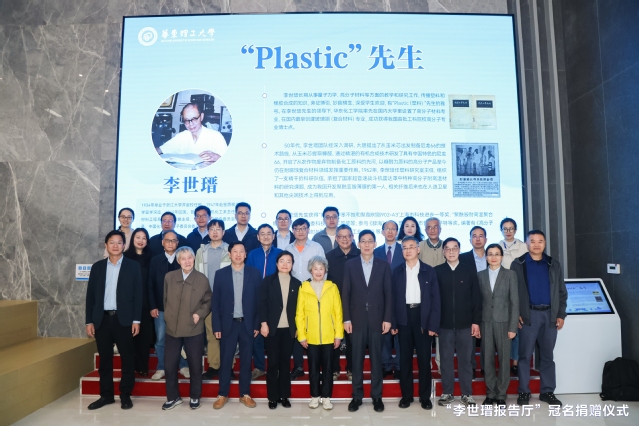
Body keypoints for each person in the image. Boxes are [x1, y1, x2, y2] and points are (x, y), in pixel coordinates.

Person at [85, 230, 142, 410]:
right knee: (105, 360)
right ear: (106, 245)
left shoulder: (133, 266)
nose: (115, 245)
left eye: (119, 242)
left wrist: (136, 320)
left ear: (124, 245)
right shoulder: (97, 267)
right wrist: (89, 321)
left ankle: (125, 395)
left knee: (127, 359)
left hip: (124, 320)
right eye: (112, 242)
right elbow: (90, 296)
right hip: (102, 320)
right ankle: (106, 395)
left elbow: (138, 295)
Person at [510, 230, 567, 407]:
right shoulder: (518, 264)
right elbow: (512, 293)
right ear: (526, 243)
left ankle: (547, 392)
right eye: (532, 241)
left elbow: (561, 292)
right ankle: (524, 392)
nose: (536, 244)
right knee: (525, 356)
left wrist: (561, 314)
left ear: (545, 243)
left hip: (550, 316)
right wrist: (516, 314)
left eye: (540, 241)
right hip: (528, 315)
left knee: (547, 356)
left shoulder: (553, 264)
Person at [342, 230, 393, 413]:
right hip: (356, 320)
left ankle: (377, 396)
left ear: (375, 244)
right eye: (363, 241)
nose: (366, 244)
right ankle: (357, 396)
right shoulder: (350, 265)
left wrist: (387, 318)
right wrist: (346, 318)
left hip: (377, 319)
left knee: (376, 360)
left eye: (370, 241)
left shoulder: (383, 265)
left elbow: (389, 294)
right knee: (356, 361)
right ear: (358, 244)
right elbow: (345, 293)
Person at [391, 237, 440, 410]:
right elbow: (392, 299)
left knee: (424, 359)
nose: (408, 250)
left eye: (411, 247)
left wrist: (433, 324)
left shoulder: (428, 271)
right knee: (404, 360)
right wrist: (393, 323)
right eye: (404, 247)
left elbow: (436, 300)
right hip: (403, 317)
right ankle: (407, 396)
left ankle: (425, 397)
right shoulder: (397, 271)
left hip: (423, 317)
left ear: (418, 249)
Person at [212, 242, 262, 410]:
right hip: (228, 325)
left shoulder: (254, 273)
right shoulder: (220, 274)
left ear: (246, 254)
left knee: (246, 361)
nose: (238, 254)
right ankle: (222, 394)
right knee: (225, 361)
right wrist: (217, 327)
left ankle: (245, 394)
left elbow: (259, 302)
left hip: (247, 325)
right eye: (235, 251)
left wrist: (256, 324)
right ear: (229, 254)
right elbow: (215, 303)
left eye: (241, 251)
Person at [161, 247, 212, 411]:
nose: (187, 261)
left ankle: (195, 396)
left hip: (193, 328)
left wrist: (199, 314)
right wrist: (168, 316)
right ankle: (173, 397)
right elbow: (165, 299)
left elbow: (208, 301)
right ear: (178, 261)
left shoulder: (202, 279)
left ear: (194, 259)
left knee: (195, 365)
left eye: (190, 258)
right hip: (172, 329)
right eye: (183, 258)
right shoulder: (169, 277)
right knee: (169, 365)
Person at [435, 237, 482, 407]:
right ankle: (447, 392)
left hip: (466, 325)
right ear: (443, 252)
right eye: (448, 249)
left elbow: (476, 298)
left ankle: (466, 394)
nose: (451, 251)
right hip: (444, 325)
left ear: (459, 250)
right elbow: (433, 300)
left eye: (454, 248)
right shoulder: (437, 271)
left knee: (466, 361)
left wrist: (476, 322)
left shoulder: (469, 270)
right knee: (446, 360)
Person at [296, 256, 343, 410]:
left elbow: (338, 313)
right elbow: (300, 314)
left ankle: (327, 397)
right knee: (313, 368)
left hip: (329, 336)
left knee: (328, 368)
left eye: (321, 268)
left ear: (325, 270)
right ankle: (315, 396)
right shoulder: (304, 287)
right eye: (315, 268)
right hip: (311, 337)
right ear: (311, 270)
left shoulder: (332, 287)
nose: (318, 271)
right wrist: (302, 336)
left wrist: (338, 335)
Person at [258, 251, 301, 409]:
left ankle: (284, 396)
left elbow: (300, 308)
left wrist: (298, 328)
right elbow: (261, 304)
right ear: (276, 264)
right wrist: (263, 323)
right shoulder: (268, 281)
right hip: (272, 329)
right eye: (282, 261)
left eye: (289, 261)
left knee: (285, 363)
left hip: (289, 330)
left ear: (292, 265)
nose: (285, 264)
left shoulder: (297, 284)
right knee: (273, 363)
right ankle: (272, 397)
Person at [478, 244, 519, 407]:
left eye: (497, 254)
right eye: (490, 254)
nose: (493, 257)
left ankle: (501, 394)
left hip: (504, 322)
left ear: (502, 257)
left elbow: (515, 302)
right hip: (486, 322)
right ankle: (490, 393)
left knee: (503, 359)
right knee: (487, 359)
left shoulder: (510, 275)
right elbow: (477, 302)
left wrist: (513, 327)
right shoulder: (480, 275)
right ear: (486, 257)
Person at [284, 218, 325, 380]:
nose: (300, 231)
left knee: (314, 325)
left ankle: (318, 366)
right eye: (297, 228)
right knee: (297, 327)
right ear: (293, 230)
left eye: (303, 228)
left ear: (308, 229)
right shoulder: (288, 248)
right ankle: (299, 365)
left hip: (313, 291)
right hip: (293, 292)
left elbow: (324, 269)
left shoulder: (316, 247)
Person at [148, 230, 189, 380]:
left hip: (181, 309)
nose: (170, 243)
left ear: (177, 243)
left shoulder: (183, 260)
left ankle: (183, 366)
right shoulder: (155, 260)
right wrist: (152, 306)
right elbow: (150, 285)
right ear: (162, 242)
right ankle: (161, 367)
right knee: (160, 340)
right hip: (160, 308)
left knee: (182, 338)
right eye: (167, 240)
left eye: (173, 240)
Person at [194, 219, 231, 380]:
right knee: (211, 334)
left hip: (227, 298)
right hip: (208, 298)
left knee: (228, 334)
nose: (215, 232)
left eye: (218, 229)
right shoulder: (201, 251)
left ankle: (228, 366)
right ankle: (214, 365)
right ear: (207, 232)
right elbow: (196, 273)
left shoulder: (230, 250)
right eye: (212, 229)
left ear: (224, 232)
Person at [247, 223, 282, 380]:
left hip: (275, 299)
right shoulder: (252, 254)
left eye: (269, 233)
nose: (266, 236)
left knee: (274, 336)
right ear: (258, 236)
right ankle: (259, 367)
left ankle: (277, 367)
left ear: (274, 236)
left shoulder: (280, 253)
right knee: (257, 335)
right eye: (262, 233)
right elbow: (248, 275)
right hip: (255, 299)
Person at [325, 224, 360, 381]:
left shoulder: (360, 254)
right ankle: (334, 369)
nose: (344, 239)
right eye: (341, 236)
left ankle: (352, 369)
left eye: (348, 236)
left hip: (355, 305)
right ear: (336, 238)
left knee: (353, 340)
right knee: (334, 339)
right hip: (334, 305)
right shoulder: (329, 256)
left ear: (352, 237)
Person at [373, 220, 403, 379]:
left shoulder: (404, 250)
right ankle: (386, 364)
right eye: (387, 229)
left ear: (397, 232)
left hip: (401, 296)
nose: (390, 231)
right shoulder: (375, 251)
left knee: (400, 334)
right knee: (383, 332)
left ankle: (399, 365)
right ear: (382, 232)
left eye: (393, 229)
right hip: (380, 297)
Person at [499, 217, 528, 375]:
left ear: (516, 230)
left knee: (516, 326)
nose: (508, 231)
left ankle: (515, 361)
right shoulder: (497, 246)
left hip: (518, 290)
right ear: (501, 230)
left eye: (511, 229)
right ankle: (504, 360)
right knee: (503, 327)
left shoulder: (523, 247)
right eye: (505, 229)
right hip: (501, 292)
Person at [123, 228, 153, 376]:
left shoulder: (151, 258)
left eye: (144, 238)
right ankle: (131, 367)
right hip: (129, 304)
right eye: (138, 237)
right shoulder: (125, 258)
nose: (141, 240)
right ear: (133, 239)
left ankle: (143, 367)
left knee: (144, 337)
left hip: (146, 303)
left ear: (147, 241)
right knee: (129, 337)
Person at [417, 217, 445, 373]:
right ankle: (426, 362)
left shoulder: (447, 246)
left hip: (443, 293)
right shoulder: (419, 246)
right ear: (425, 230)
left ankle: (440, 362)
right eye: (429, 227)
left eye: (435, 227)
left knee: (441, 330)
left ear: (440, 229)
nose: (433, 230)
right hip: (424, 296)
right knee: (426, 330)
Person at [156, 102, 227, 163]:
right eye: (186, 120)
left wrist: (217, 157)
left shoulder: (216, 137)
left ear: (201, 117)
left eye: (194, 119)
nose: (190, 124)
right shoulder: (181, 137)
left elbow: (228, 162)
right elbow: (160, 150)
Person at [459, 226, 487, 373]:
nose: (477, 239)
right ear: (470, 240)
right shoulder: (463, 258)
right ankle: (471, 368)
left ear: (486, 239)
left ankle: (486, 367)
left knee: (487, 339)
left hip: (489, 303)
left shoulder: (493, 255)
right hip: (469, 304)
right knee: (469, 339)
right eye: (474, 236)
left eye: (481, 236)